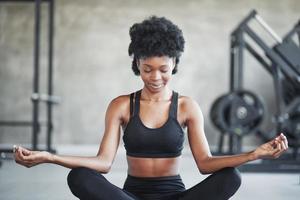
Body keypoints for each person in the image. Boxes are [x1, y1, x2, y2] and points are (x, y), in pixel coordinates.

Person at [14, 16, 289, 200]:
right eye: (147, 69)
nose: (155, 77)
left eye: (163, 69)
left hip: (177, 196)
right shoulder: (121, 105)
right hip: (131, 197)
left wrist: (255, 154)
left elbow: (206, 164)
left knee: (232, 177)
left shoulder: (186, 107)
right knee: (80, 178)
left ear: (174, 66)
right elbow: (103, 164)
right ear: (137, 65)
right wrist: (49, 157)